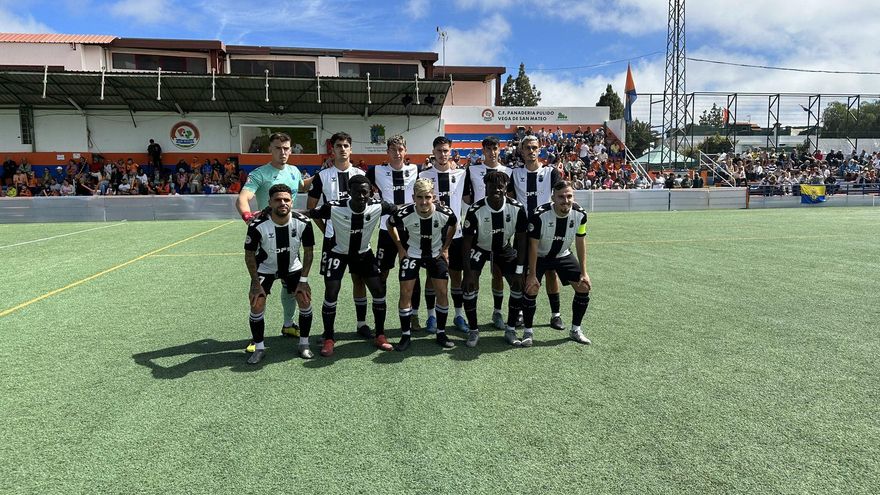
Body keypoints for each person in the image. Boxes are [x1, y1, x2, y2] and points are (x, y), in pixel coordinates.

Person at [306, 175, 397, 356]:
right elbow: (310, 213)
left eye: (366, 192)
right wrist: (278, 211)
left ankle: (380, 335)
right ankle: (329, 338)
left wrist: (428, 205)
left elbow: (399, 209)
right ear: (349, 192)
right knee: (331, 291)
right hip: (338, 252)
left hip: (363, 253)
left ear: (370, 192)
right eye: (358, 192)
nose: (362, 196)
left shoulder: (378, 205)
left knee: (378, 290)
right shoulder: (334, 207)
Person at [237, 132, 306, 351]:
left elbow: (301, 186)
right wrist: (248, 216)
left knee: (290, 287)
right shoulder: (260, 174)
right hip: (265, 242)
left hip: (290, 238)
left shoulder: (294, 171)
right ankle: (255, 338)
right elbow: (243, 197)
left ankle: (288, 324)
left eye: (286, 148)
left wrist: (324, 174)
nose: (283, 152)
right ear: (271, 149)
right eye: (278, 148)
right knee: (259, 290)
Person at [307, 131, 373, 340]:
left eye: (346, 145)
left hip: (359, 238)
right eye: (338, 146)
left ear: (350, 149)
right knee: (332, 286)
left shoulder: (361, 175)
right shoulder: (322, 176)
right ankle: (329, 333)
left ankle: (361, 324)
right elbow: (311, 209)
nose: (342, 149)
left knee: (359, 281)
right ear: (332, 150)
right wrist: (326, 229)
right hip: (333, 241)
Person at [244, 184, 316, 364]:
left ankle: (304, 344)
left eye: (286, 199)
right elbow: (249, 255)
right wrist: (255, 282)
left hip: (292, 267)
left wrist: (304, 280)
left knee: (304, 299)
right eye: (277, 200)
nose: (282, 203)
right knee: (257, 302)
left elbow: (308, 252)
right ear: (269, 202)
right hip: (265, 268)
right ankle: (259, 348)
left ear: (292, 202)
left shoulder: (303, 222)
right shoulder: (257, 224)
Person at [387, 178, 458, 351]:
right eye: (420, 197)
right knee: (405, 292)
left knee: (442, 291)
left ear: (433, 196)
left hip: (435, 254)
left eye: (427, 197)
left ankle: (441, 332)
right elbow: (390, 225)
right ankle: (405, 336)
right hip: (412, 254)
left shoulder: (445, 212)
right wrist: (400, 248)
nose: (424, 201)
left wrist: (446, 247)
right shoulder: (404, 213)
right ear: (413, 197)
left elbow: (454, 225)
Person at [461, 170, 528, 347]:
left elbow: (521, 242)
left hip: (504, 248)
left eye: (500, 186)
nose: (496, 190)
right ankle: (473, 330)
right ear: (486, 188)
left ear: (506, 187)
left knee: (517, 282)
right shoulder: (475, 210)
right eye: (492, 186)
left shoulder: (517, 209)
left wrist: (520, 271)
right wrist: (467, 273)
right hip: (480, 248)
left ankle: (511, 329)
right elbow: (466, 244)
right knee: (468, 286)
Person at [522, 181, 593, 347]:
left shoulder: (580, 214)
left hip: (562, 254)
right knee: (531, 288)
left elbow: (580, 242)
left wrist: (584, 272)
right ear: (553, 197)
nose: (565, 200)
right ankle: (528, 331)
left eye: (569, 196)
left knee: (583, 286)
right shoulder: (539, 215)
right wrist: (532, 275)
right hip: (539, 256)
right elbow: (532, 245)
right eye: (561, 196)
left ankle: (575, 330)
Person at [509, 134, 565, 330]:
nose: (531, 151)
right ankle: (523, 313)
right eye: (527, 148)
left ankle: (555, 314)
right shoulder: (514, 174)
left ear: (539, 149)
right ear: (521, 151)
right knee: (524, 272)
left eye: (534, 147)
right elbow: (510, 199)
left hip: (547, 230)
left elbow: (562, 194)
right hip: (523, 233)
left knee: (551, 272)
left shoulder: (550, 172)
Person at [365, 135, 422, 328]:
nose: (397, 153)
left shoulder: (416, 169)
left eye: (400, 149)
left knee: (412, 274)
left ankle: (414, 315)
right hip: (386, 230)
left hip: (411, 230)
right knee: (382, 274)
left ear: (405, 151)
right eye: (393, 150)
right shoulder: (376, 171)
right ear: (387, 152)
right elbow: (359, 184)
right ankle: (379, 317)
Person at [418, 136, 471, 334]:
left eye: (446, 151)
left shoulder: (461, 174)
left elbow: (468, 199)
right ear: (433, 152)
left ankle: (459, 315)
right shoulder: (423, 175)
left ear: (451, 152)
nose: (442, 154)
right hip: (432, 236)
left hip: (455, 235)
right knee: (432, 278)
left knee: (456, 277)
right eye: (439, 151)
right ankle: (431, 317)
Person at [463, 135, 514, 331]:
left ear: (499, 150)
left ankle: (497, 312)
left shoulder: (508, 171)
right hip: (478, 231)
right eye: (488, 149)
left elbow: (510, 198)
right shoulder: (473, 170)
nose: (492, 152)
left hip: (500, 230)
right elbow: (468, 197)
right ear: (482, 151)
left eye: (495, 148)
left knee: (498, 273)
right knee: (472, 275)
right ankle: (471, 316)